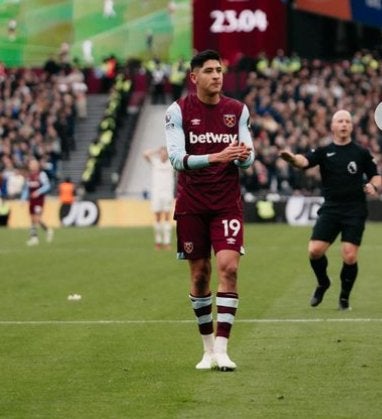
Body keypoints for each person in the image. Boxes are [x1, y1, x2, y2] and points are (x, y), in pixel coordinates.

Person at [165, 49, 255, 371]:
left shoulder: (238, 110)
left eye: (219, 70)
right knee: (200, 274)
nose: (216, 76)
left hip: (226, 204)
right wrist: (216, 156)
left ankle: (222, 348)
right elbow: (176, 159)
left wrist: (243, 155)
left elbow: (248, 155)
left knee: (229, 267)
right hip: (191, 204)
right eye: (209, 71)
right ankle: (206, 350)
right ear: (194, 77)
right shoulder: (177, 111)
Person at [280, 109, 381, 310]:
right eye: (340, 121)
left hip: (355, 210)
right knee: (314, 251)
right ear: (332, 126)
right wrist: (292, 159)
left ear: (351, 126)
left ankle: (344, 298)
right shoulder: (324, 152)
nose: (344, 124)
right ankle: (323, 282)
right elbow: (305, 161)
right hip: (331, 209)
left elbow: (376, 175)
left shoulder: (361, 153)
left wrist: (374, 186)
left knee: (349, 255)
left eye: (347, 121)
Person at [143, 146, 175, 250]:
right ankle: (158, 241)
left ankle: (167, 242)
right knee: (157, 217)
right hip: (156, 194)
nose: (163, 154)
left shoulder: (171, 163)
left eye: (165, 153)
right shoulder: (155, 162)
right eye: (162, 153)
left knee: (166, 217)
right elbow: (145, 154)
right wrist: (156, 151)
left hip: (167, 193)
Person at [21, 159, 54, 246]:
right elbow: (26, 189)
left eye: (33, 164)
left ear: (37, 166)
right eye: (30, 164)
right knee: (32, 219)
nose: (31, 166)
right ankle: (47, 230)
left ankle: (34, 238)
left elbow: (47, 186)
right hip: (32, 200)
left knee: (36, 218)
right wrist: (23, 199)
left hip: (39, 200)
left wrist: (38, 192)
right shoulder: (29, 176)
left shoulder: (42, 175)